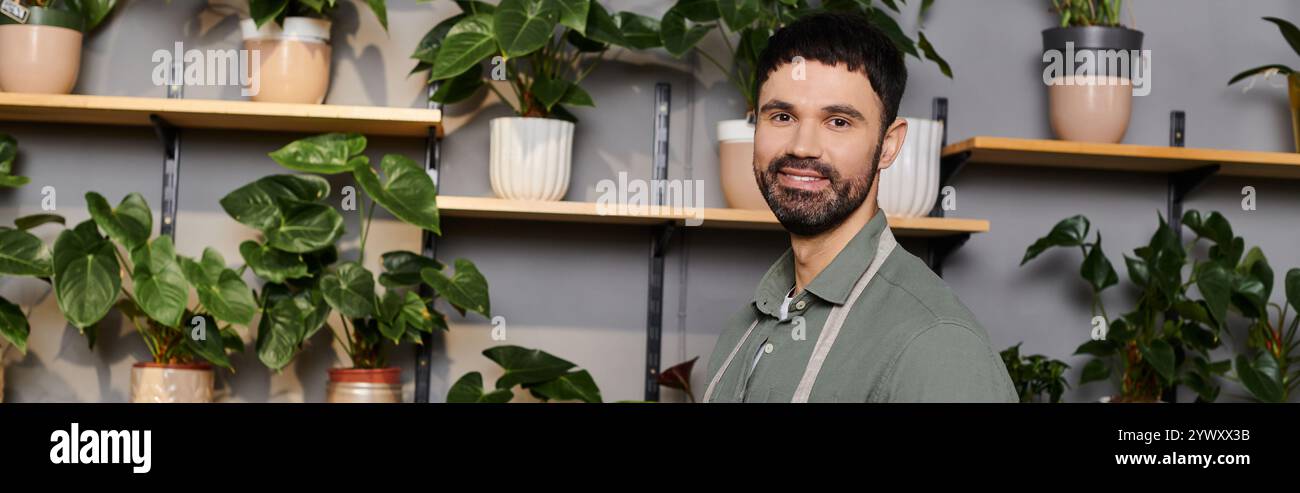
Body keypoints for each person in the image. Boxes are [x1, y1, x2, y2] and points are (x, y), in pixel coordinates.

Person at [702, 12, 1017, 403]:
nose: (802, 146)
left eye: (837, 121)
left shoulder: (937, 343)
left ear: (888, 145)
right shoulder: (745, 329)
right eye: (782, 116)